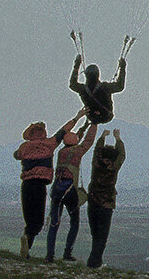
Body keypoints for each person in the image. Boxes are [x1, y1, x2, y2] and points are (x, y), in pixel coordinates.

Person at [13, 107, 86, 258]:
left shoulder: (24, 147)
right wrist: (78, 117)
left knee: (29, 217)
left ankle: (26, 242)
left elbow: (17, 155)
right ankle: (28, 241)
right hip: (40, 185)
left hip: (26, 185)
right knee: (38, 220)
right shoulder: (50, 144)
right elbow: (63, 131)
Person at [44, 120, 98, 262]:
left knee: (54, 224)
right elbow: (87, 141)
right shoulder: (77, 151)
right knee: (74, 222)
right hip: (70, 191)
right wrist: (94, 125)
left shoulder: (61, 152)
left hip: (56, 190)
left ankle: (50, 255)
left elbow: (77, 138)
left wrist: (84, 126)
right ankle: (67, 252)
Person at [86, 128, 125, 268]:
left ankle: (94, 261)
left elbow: (97, 151)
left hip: (93, 200)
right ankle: (94, 263)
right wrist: (118, 139)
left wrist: (102, 137)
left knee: (95, 233)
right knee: (102, 236)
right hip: (106, 204)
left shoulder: (96, 164)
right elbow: (122, 155)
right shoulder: (114, 166)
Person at [69, 53, 126, 124]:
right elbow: (120, 86)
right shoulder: (104, 87)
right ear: (98, 75)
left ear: (86, 75)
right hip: (106, 116)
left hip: (91, 117)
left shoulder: (83, 89)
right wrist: (122, 68)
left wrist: (76, 66)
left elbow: (72, 84)